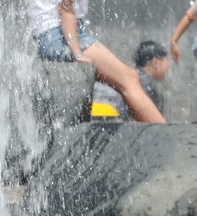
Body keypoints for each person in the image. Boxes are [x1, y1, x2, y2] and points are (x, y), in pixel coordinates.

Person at [28, 0, 166, 124]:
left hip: (53, 34)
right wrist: (76, 53)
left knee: (123, 80)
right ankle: (163, 137)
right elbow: (65, 9)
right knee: (130, 79)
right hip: (60, 36)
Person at [92, 40, 169, 120]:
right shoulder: (145, 83)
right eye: (165, 62)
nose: (167, 68)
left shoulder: (134, 74)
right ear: (156, 62)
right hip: (106, 115)